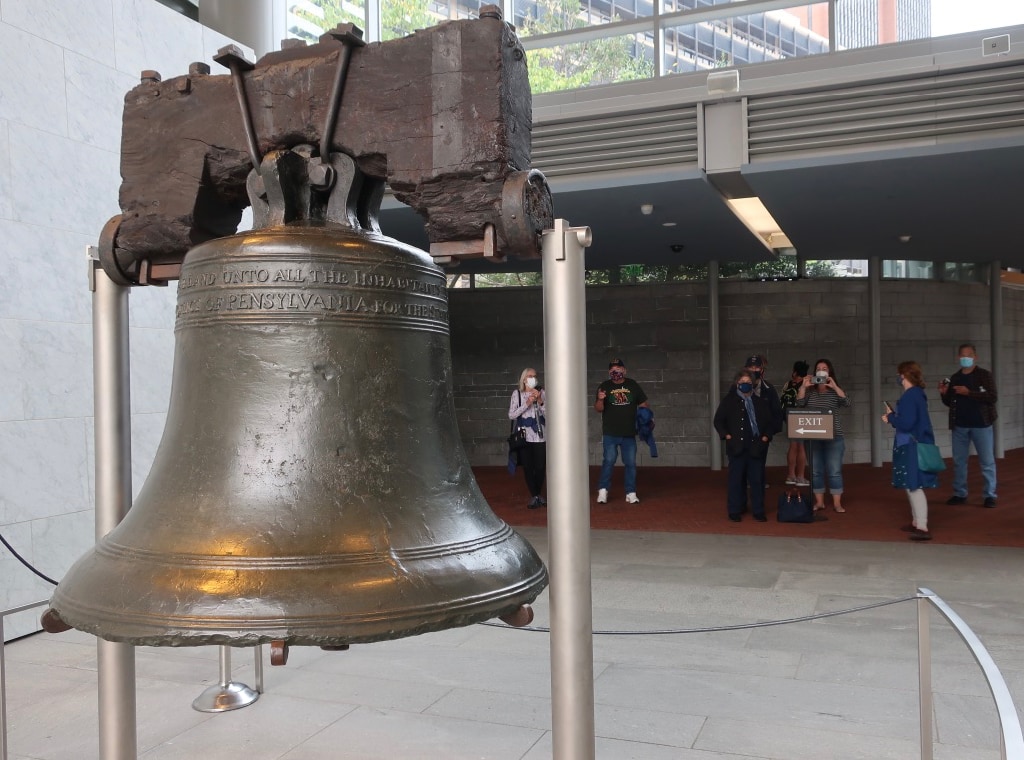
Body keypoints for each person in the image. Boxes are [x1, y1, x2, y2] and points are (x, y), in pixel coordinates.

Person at [883, 361, 938, 541]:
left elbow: (906, 423)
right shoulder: (918, 394)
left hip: (910, 445)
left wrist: (890, 417)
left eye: (900, 375)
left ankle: (922, 525)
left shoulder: (909, 396)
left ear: (904, 376)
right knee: (910, 483)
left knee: (913, 485)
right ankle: (916, 521)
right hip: (915, 442)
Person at [939, 343, 998, 508]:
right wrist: (943, 393)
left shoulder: (984, 375)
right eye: (963, 356)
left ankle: (989, 495)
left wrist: (969, 392)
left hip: (981, 424)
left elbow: (992, 397)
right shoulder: (955, 377)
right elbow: (951, 402)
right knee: (959, 461)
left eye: (969, 355)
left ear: (975, 357)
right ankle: (959, 493)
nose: (965, 358)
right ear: (959, 357)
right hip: (960, 425)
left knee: (987, 461)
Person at [714, 370, 775, 522]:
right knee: (736, 480)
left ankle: (758, 510)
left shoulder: (760, 402)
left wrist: (766, 438)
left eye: (748, 382)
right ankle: (735, 509)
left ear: (753, 384)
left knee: (757, 480)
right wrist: (727, 436)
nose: (745, 385)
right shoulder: (729, 401)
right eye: (742, 383)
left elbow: (770, 422)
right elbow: (718, 420)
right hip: (736, 447)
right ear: (737, 384)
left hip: (756, 447)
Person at [795, 358, 851, 512]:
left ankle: (837, 504)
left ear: (829, 372)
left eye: (824, 368)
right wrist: (803, 387)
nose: (821, 370)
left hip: (834, 437)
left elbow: (846, 402)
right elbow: (799, 403)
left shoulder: (834, 391)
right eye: (818, 368)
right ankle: (819, 502)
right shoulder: (810, 391)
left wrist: (834, 385)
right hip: (813, 438)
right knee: (815, 470)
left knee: (834, 470)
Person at [594, 358, 649, 504]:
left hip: (629, 433)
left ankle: (630, 492)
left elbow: (643, 403)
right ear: (608, 372)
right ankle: (603, 491)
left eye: (618, 368)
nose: (615, 371)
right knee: (609, 460)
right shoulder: (604, 386)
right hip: (610, 432)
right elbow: (598, 409)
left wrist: (646, 417)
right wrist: (600, 399)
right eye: (612, 369)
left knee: (630, 463)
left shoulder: (633, 385)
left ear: (624, 370)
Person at [508, 367, 546, 509]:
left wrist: (540, 401)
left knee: (540, 466)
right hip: (524, 436)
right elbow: (512, 415)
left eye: (534, 376)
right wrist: (527, 404)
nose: (532, 378)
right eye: (530, 376)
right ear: (524, 379)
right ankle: (535, 495)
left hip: (539, 435)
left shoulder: (542, 393)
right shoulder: (517, 394)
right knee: (528, 467)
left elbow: (550, 415)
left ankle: (538, 494)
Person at [781, 360, 809, 486]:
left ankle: (790, 475)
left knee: (793, 446)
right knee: (801, 447)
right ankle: (800, 476)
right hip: (803, 417)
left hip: (790, 416)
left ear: (794, 372)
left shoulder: (788, 384)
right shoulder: (807, 384)